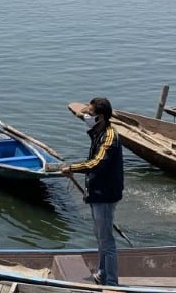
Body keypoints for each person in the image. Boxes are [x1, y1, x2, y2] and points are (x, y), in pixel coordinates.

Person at [50, 97, 124, 286]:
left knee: (106, 241)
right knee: (100, 237)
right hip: (97, 192)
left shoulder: (109, 138)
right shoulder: (98, 131)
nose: (86, 117)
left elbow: (97, 163)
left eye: (90, 114)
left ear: (100, 118)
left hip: (105, 195)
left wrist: (72, 168)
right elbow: (81, 114)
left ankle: (112, 283)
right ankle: (102, 273)